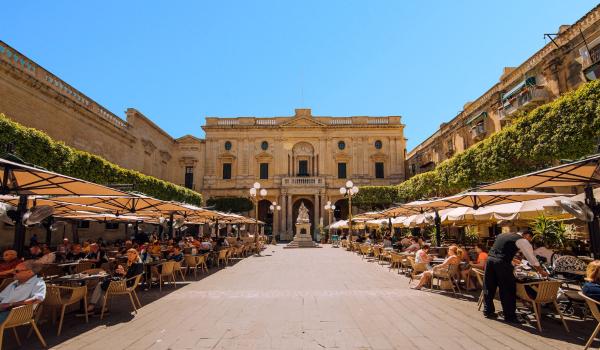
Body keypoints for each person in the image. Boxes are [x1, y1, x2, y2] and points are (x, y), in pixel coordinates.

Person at [483, 230, 547, 323]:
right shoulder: (522, 240)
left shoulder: (503, 235)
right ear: (527, 235)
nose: (529, 241)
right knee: (507, 289)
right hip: (502, 263)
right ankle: (509, 316)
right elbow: (531, 258)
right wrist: (540, 270)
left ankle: (488, 311)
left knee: (489, 285)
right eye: (529, 239)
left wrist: (511, 258)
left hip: (490, 260)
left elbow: (502, 249)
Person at [87, 248, 143, 313]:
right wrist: (122, 272)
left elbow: (130, 278)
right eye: (128, 255)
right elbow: (130, 276)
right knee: (101, 286)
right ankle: (102, 307)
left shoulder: (136, 264)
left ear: (135, 254)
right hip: (126, 282)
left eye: (130, 255)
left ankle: (93, 306)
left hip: (125, 285)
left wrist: (122, 275)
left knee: (100, 285)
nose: (129, 257)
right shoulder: (137, 262)